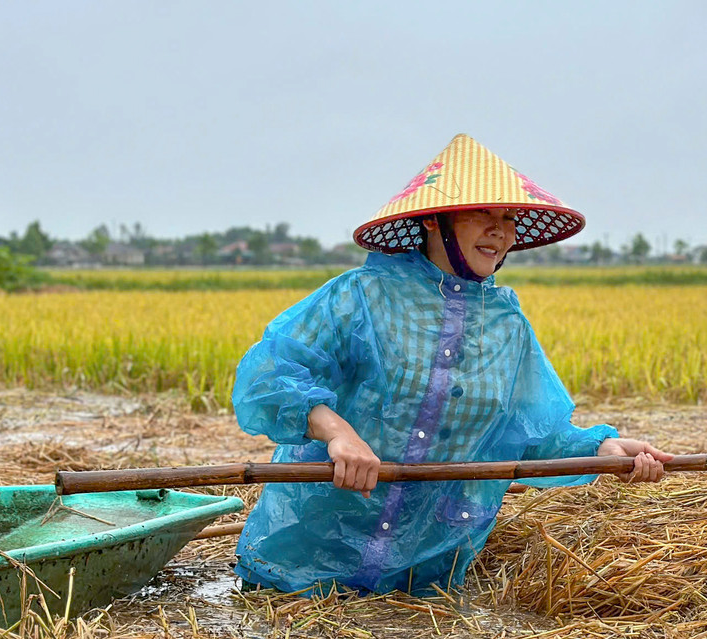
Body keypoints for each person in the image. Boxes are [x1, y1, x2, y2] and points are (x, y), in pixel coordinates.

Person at [231, 134, 671, 596]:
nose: (500, 231)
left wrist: (603, 451)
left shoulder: (506, 325)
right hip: (302, 569)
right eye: (483, 213)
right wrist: (339, 433)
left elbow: (528, 434)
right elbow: (269, 376)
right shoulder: (361, 296)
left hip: (420, 586)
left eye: (508, 217)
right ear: (435, 220)